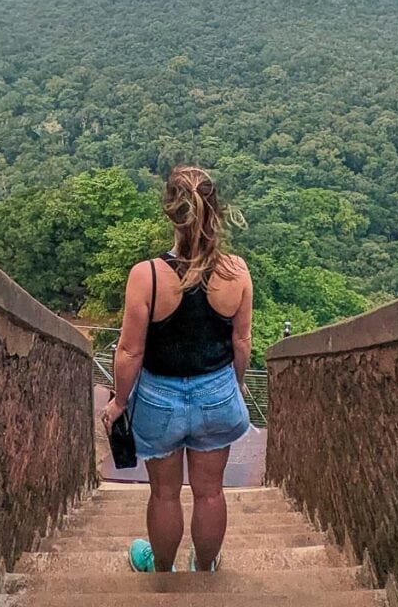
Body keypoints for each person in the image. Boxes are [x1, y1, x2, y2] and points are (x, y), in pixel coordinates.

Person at [102, 165, 252, 574]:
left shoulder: (146, 275)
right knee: (209, 494)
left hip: (159, 397)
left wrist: (118, 402)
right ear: (215, 212)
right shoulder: (236, 272)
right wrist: (233, 387)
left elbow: (131, 352)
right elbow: (241, 343)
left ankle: (162, 571)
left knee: (165, 495)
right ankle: (205, 567)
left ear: (171, 212)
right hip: (217, 391)